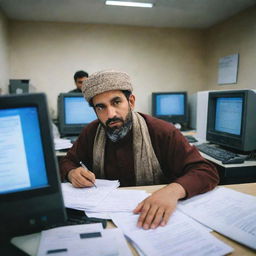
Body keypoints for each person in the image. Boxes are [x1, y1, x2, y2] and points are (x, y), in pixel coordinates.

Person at [60, 70, 219, 230]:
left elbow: (205, 171)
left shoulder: (162, 131)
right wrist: (72, 173)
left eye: (116, 102)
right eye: (101, 107)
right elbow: (67, 162)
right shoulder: (92, 132)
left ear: (131, 102)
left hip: (153, 220)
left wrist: (172, 191)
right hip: (107, 221)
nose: (111, 114)